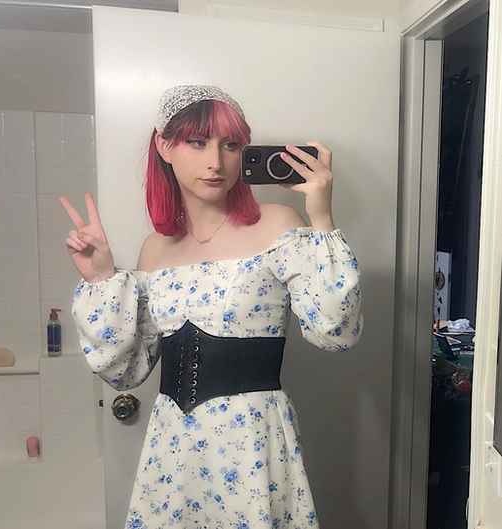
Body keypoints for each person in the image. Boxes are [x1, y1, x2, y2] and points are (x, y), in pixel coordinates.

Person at [61, 85, 363, 529]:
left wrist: (321, 217)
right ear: (164, 146)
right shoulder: (154, 249)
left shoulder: (280, 226)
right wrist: (102, 279)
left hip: (251, 443)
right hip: (172, 450)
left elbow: (337, 331)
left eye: (230, 145)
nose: (216, 162)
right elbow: (128, 372)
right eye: (198, 142)